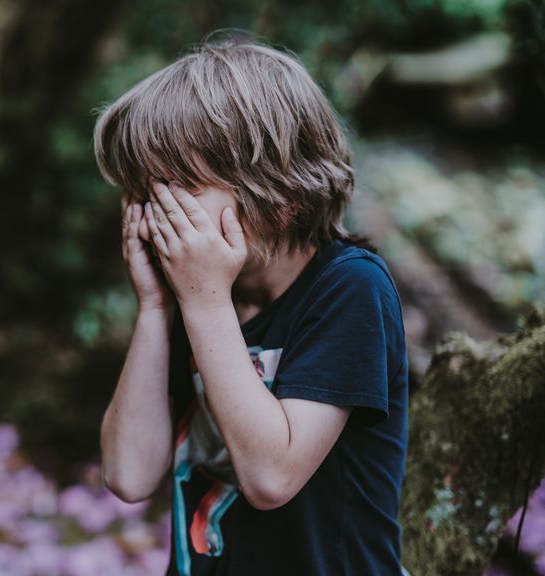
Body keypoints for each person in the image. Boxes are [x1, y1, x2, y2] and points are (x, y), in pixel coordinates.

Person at [93, 35, 410, 575]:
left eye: (179, 191)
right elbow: (129, 473)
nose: (158, 216)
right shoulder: (197, 295)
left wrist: (203, 300)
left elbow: (271, 478)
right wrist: (153, 308)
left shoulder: (350, 288)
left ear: (279, 198)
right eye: (146, 194)